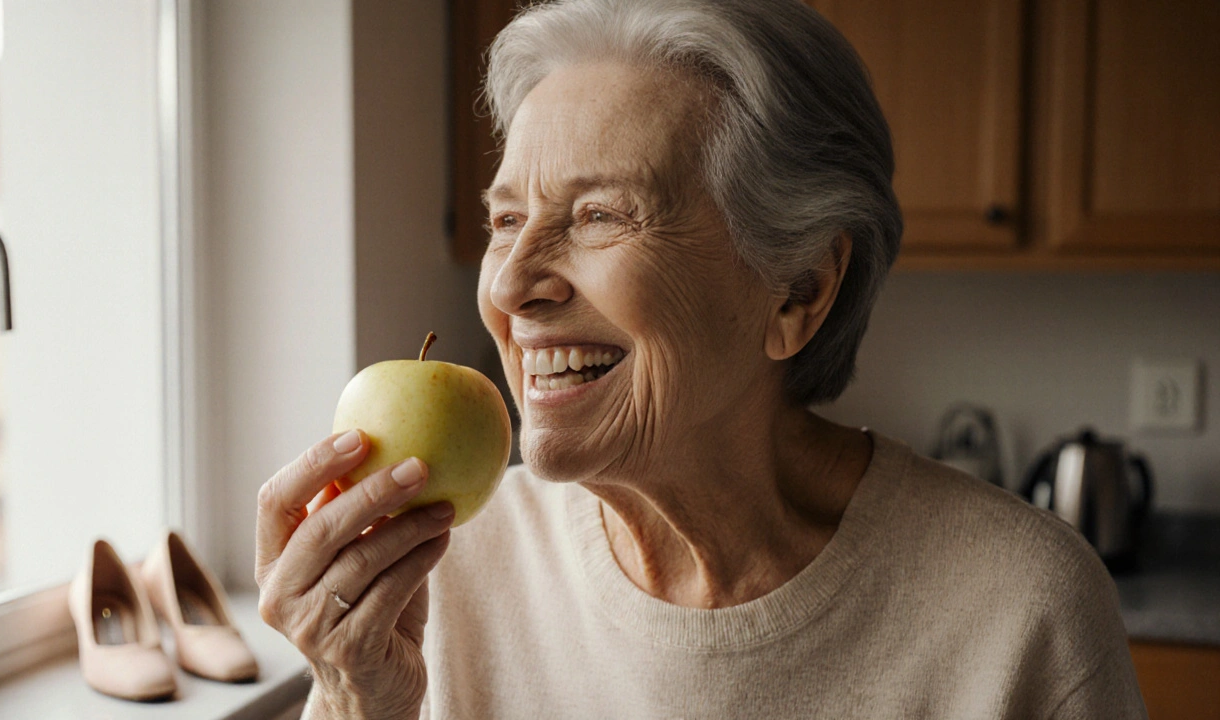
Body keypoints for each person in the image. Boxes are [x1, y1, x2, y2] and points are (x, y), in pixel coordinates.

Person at [255, 1, 1147, 717]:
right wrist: (351, 702)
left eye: (601, 215)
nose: (512, 285)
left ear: (797, 289)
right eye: (506, 219)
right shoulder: (438, 565)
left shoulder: (1022, 610)